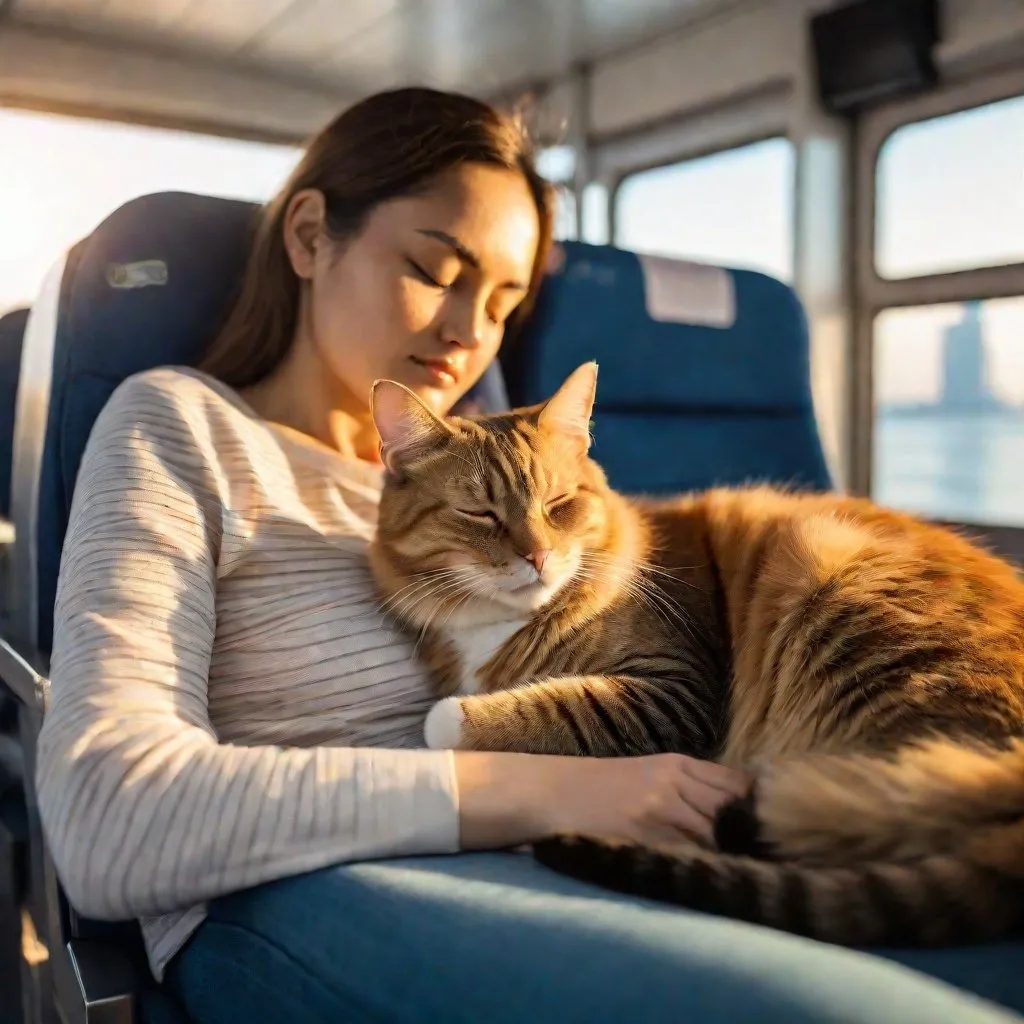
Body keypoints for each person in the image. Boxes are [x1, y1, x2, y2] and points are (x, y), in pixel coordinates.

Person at [34, 88, 1021, 1024]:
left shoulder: (493, 465)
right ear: (307, 237)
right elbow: (110, 818)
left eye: (504, 300)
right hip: (307, 890)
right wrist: (540, 787)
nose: (469, 334)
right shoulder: (181, 426)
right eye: (432, 270)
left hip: (620, 824)